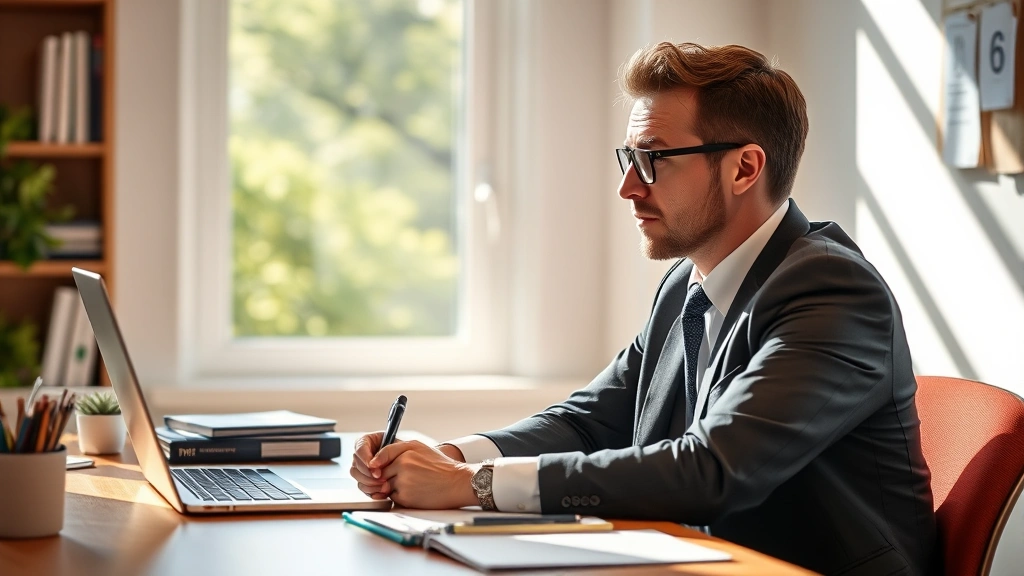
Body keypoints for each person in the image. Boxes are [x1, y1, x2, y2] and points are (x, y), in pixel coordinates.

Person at [350, 41, 937, 576]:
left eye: (652, 158)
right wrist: (446, 456)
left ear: (744, 168)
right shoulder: (686, 285)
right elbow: (588, 421)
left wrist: (471, 485)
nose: (628, 186)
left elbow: (713, 470)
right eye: (627, 157)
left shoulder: (832, 289)